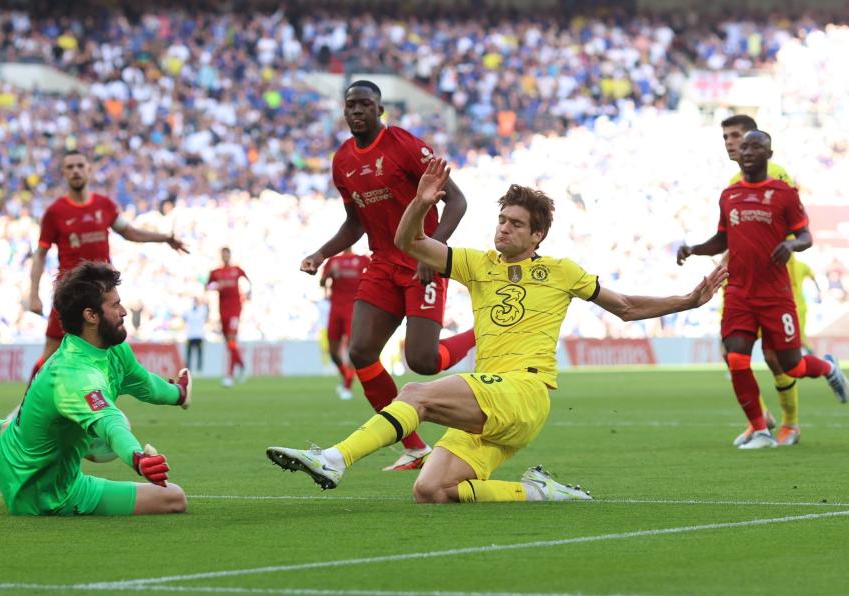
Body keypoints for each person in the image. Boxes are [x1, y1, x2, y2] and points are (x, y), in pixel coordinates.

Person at [267, 158, 728, 503]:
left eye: (516, 224)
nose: (504, 229)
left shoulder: (562, 271)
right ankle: (541, 493)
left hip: (524, 390)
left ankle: (334, 459)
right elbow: (407, 242)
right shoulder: (476, 264)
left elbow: (625, 307)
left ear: (537, 236)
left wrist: (687, 300)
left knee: (415, 394)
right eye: (502, 220)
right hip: (490, 401)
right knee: (431, 491)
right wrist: (421, 204)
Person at [0, 262, 192, 515]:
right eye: (114, 305)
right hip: (44, 493)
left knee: (14, 428)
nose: (123, 311)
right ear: (91, 315)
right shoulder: (75, 376)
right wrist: (137, 458)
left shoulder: (111, 349)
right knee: (174, 498)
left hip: (15, 452)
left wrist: (176, 394)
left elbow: (143, 382)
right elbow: (111, 423)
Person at [300, 80, 475, 472]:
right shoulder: (342, 160)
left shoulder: (406, 145)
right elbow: (355, 223)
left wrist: (432, 249)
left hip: (419, 261)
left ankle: (481, 334)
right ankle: (414, 447)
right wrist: (321, 253)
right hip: (380, 263)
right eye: (350, 105)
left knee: (423, 362)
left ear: (380, 110)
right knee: (360, 351)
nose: (356, 111)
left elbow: (458, 201)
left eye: (364, 104)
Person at [678, 130, 847, 449]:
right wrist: (694, 249)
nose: (747, 151)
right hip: (739, 292)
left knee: (792, 365)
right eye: (744, 147)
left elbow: (805, 235)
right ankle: (759, 429)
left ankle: (826, 367)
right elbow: (723, 238)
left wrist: (792, 245)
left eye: (756, 147)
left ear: (769, 154)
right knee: (737, 358)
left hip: (775, 295)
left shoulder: (783, 193)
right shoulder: (729, 195)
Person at [29, 150, 189, 376]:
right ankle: (26, 409)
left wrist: (164, 238)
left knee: (111, 349)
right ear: (64, 173)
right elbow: (40, 254)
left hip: (103, 293)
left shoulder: (104, 206)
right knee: (51, 353)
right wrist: (33, 294)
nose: (75, 171)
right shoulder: (55, 213)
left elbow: (129, 231)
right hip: (70, 294)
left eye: (80, 166)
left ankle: (101, 404)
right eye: (70, 167)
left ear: (89, 170)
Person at [719, 115, 797, 446]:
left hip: (772, 285)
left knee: (776, 357)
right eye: (726, 137)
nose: (730, 142)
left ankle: (790, 424)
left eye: (736, 135)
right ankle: (760, 420)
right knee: (733, 352)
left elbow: (784, 231)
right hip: (741, 283)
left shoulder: (775, 175)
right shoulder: (735, 182)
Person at [320, 247, 371, 399]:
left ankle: (347, 385)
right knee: (332, 351)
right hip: (335, 309)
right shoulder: (333, 261)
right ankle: (346, 376)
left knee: (352, 349)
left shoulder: (363, 260)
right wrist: (328, 275)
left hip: (354, 309)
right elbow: (322, 283)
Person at [208, 246, 251, 387]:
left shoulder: (236, 270)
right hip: (222, 312)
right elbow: (208, 286)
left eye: (227, 254)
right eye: (223, 255)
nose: (225, 257)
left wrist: (249, 293)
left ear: (230, 255)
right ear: (221, 256)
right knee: (230, 344)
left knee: (232, 340)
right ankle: (242, 365)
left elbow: (248, 282)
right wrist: (215, 286)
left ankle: (229, 375)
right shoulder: (216, 273)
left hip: (235, 311)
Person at [184, 297, 209, 372]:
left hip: (199, 335)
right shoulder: (188, 310)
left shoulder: (202, 310)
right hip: (190, 335)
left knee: (199, 353)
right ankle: (188, 369)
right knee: (189, 353)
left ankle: (199, 369)